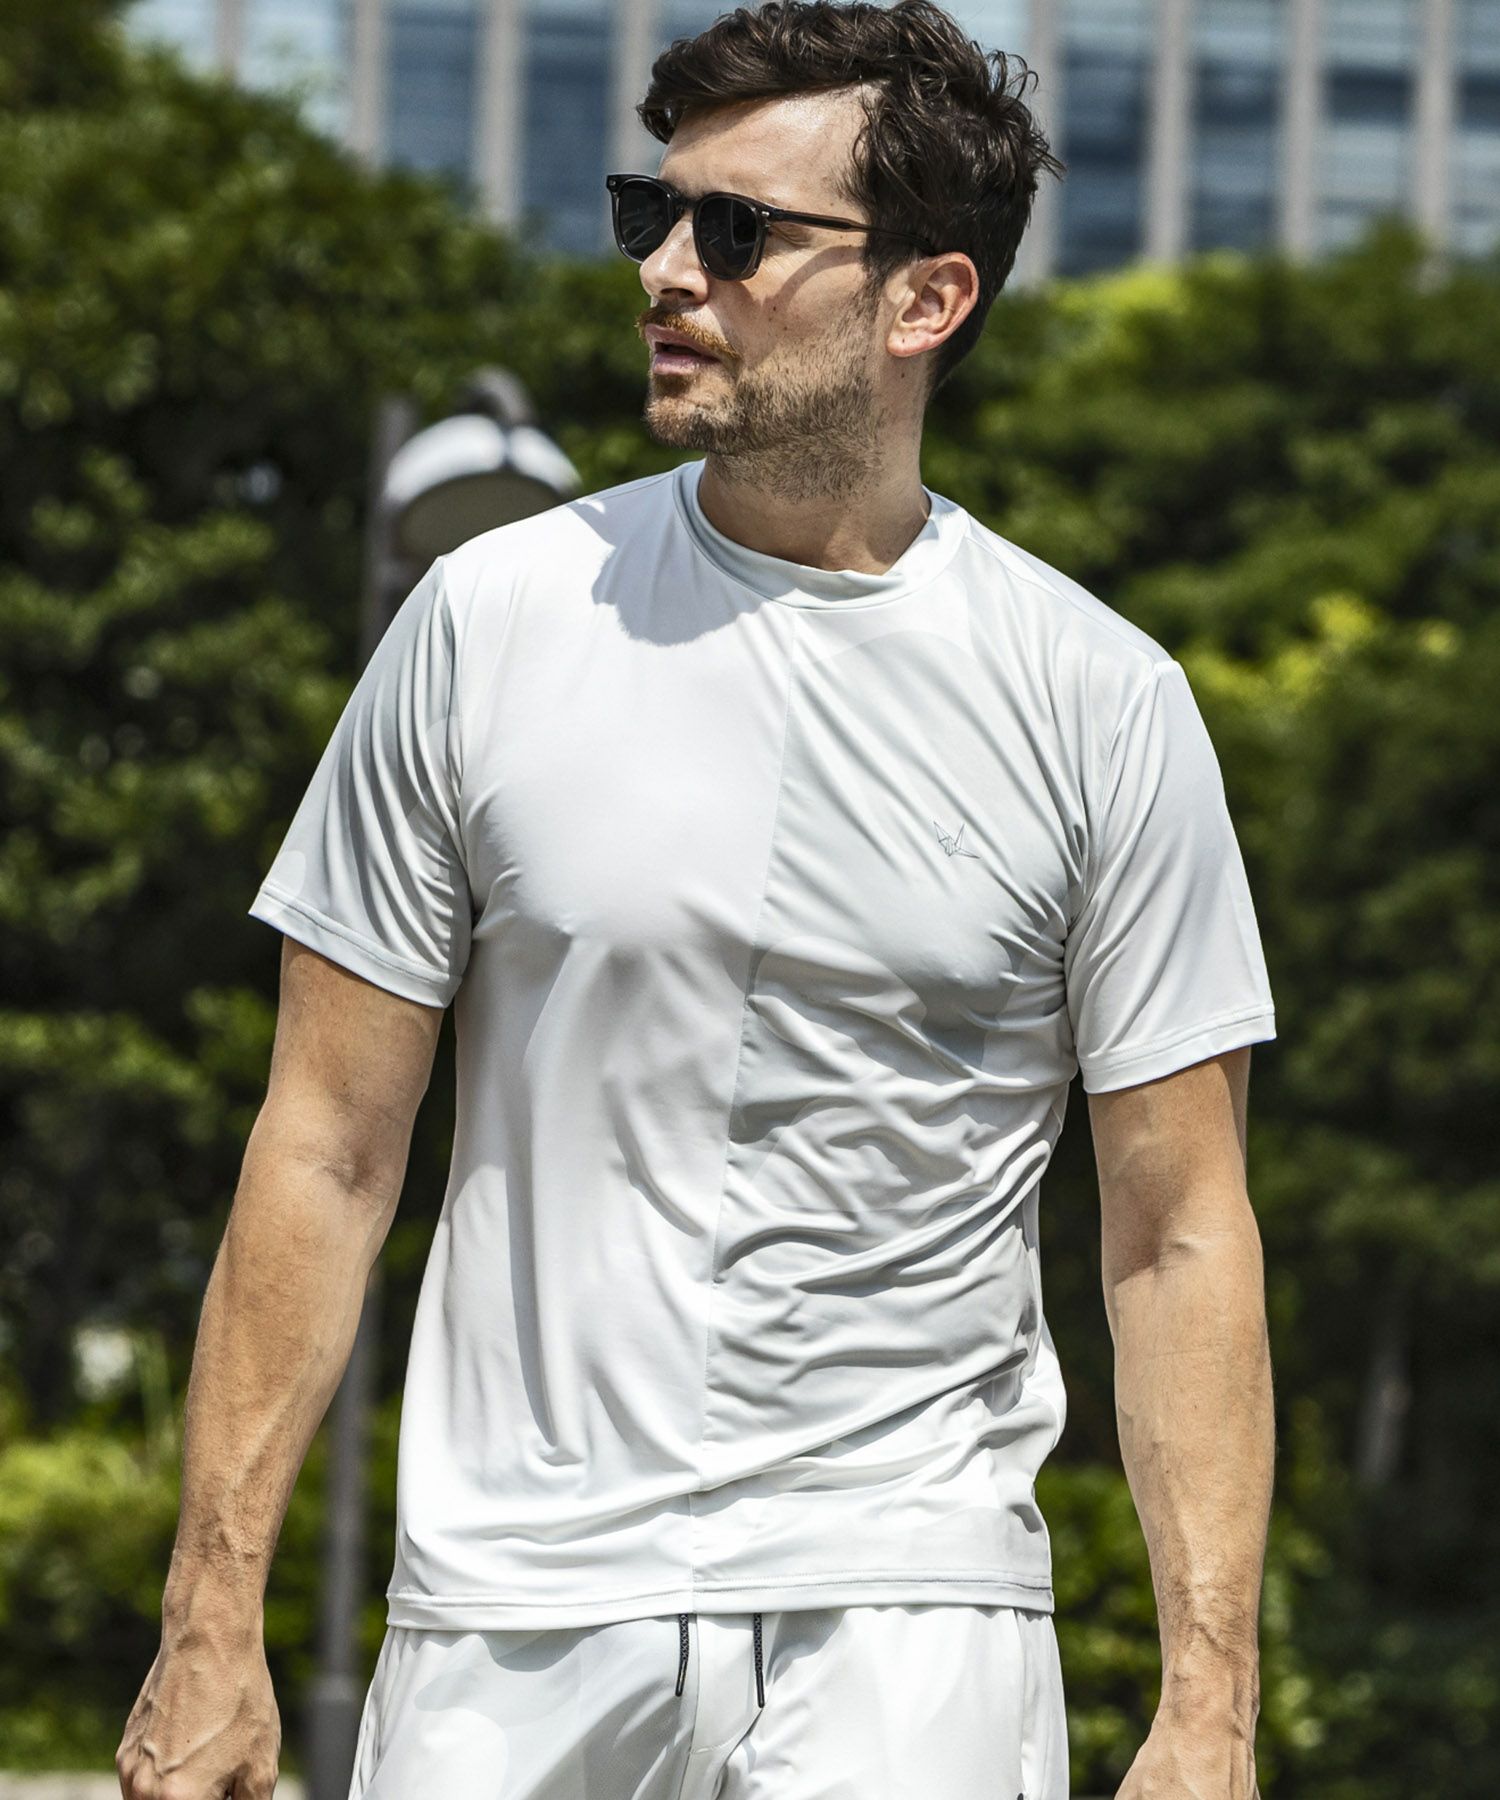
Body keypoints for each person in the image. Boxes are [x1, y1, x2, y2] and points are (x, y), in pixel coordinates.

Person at [117, 3, 1276, 1797]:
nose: (667, 270)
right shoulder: (490, 621)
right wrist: (209, 1619)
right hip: (510, 1616)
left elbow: (1179, 1229)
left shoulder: (1101, 701)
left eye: (738, 231)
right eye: (648, 214)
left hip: (911, 1620)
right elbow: (326, 1147)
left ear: (925, 299)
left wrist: (1211, 1712)